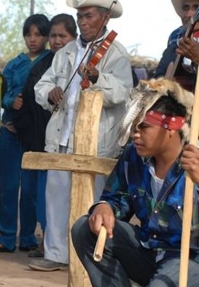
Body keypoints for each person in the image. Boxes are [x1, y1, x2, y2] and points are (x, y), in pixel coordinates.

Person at [29, 0, 133, 272]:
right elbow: (43, 84)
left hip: (95, 141)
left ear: (105, 18)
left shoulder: (117, 54)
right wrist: (50, 93)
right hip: (62, 136)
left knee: (94, 202)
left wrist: (99, 77)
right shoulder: (67, 52)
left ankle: (90, 258)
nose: (83, 22)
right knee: (56, 199)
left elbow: (124, 92)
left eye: (88, 16)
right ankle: (55, 253)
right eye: (80, 16)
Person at [71, 78, 199, 286]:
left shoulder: (196, 159)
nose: (134, 135)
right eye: (132, 128)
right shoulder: (134, 155)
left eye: (143, 128)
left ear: (171, 128)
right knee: (84, 228)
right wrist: (104, 207)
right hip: (148, 249)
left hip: (189, 260)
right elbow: (116, 197)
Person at [13, 13, 78, 258]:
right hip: (42, 141)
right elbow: (28, 100)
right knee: (47, 197)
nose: (57, 40)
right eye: (53, 35)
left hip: (74, 142)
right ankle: (48, 242)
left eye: (63, 35)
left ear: (74, 37)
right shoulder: (40, 66)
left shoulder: (79, 62)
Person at [0, 14, 51, 254]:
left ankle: (28, 238)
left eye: (38, 34)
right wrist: (11, 102)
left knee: (32, 189)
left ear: (46, 36)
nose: (32, 39)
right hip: (11, 131)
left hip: (34, 135)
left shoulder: (52, 62)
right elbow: (0, 96)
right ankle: (7, 236)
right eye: (28, 34)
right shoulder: (14, 64)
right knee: (9, 187)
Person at [154, 0, 199, 78]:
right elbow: (160, 74)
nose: (188, 14)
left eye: (196, 7)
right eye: (186, 7)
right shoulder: (175, 35)